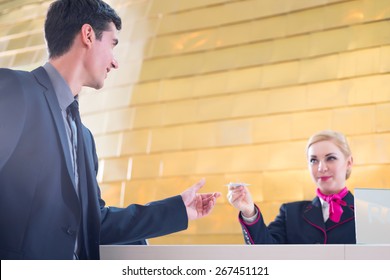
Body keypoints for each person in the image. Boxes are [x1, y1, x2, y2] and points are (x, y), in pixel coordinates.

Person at [0, 0, 220, 260]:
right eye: (112, 44)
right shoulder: (15, 89)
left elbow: (95, 224)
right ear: (88, 35)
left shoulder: (84, 137)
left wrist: (177, 210)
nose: (115, 63)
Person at [228, 130, 356, 244]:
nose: (321, 168)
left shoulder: (368, 213)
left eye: (331, 158)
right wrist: (249, 212)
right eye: (313, 160)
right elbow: (265, 250)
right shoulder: (290, 213)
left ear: (349, 162)